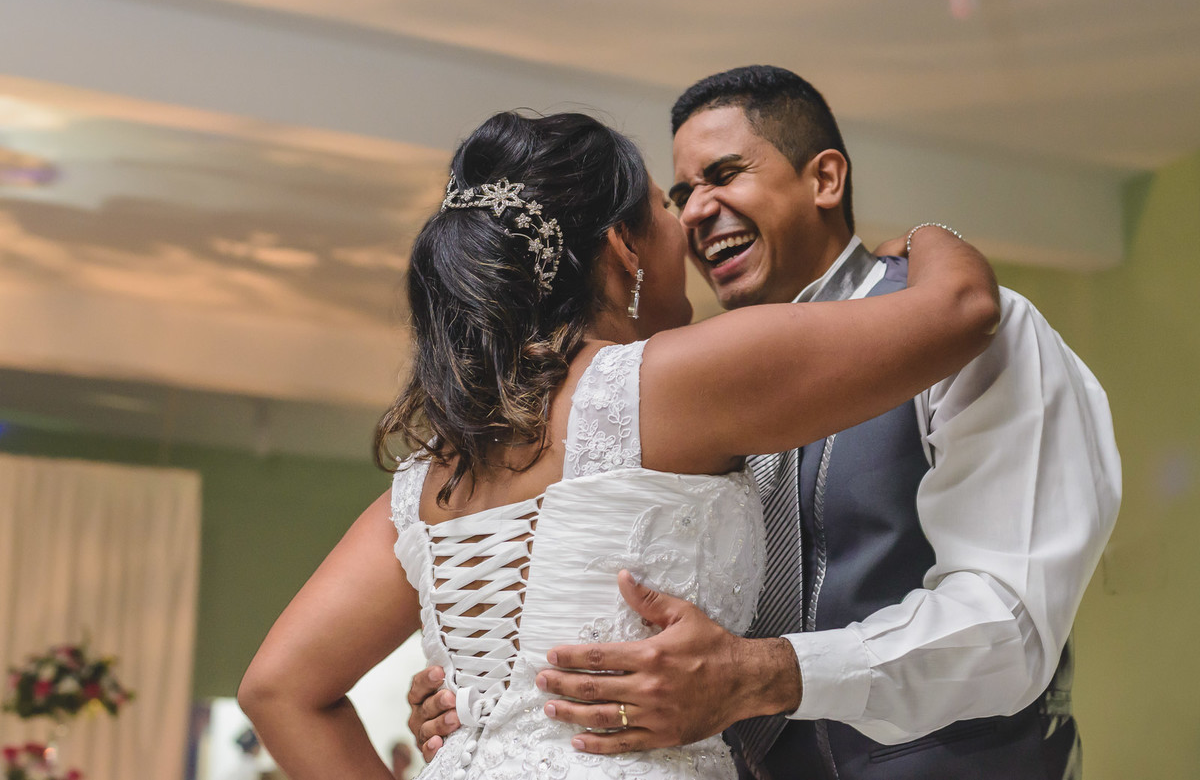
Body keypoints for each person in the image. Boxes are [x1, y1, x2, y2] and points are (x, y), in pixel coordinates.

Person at [237, 109, 999, 780]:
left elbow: (278, 688)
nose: (691, 227)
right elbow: (962, 307)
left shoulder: (431, 476)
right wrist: (933, 236)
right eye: (667, 208)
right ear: (624, 247)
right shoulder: (659, 381)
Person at [411, 67, 1121, 780]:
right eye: (681, 195)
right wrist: (486, 703)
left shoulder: (974, 332)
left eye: (725, 174)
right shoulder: (672, 393)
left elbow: (1009, 624)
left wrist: (765, 673)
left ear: (826, 180)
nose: (693, 212)